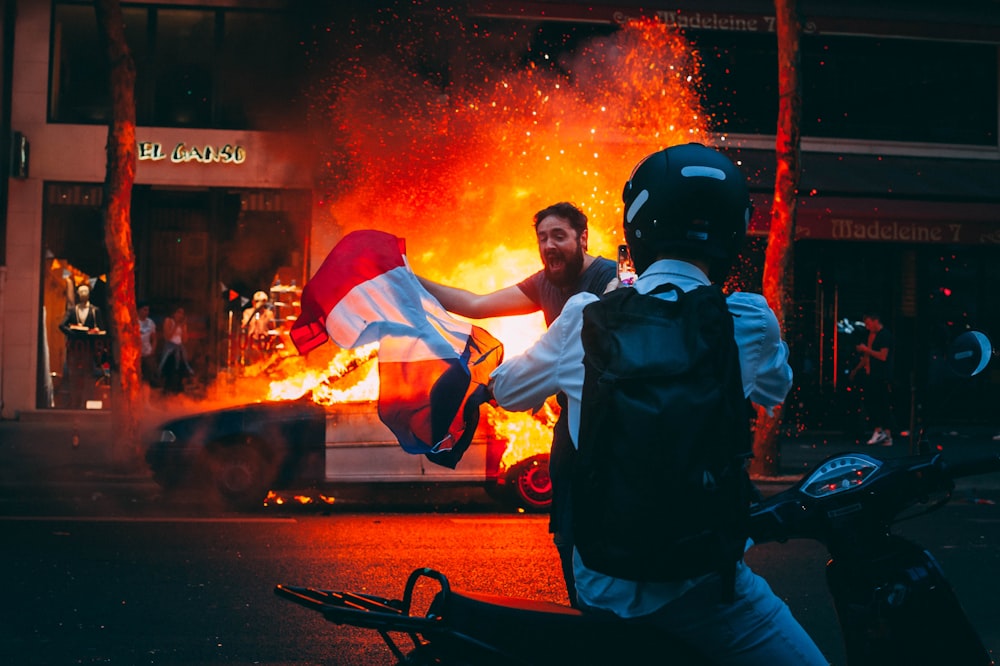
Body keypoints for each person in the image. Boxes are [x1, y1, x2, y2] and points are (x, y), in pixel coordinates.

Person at [489, 143, 827, 665]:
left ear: (638, 225)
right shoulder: (749, 320)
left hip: (602, 583)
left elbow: (508, 391)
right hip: (705, 584)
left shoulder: (583, 315)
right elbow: (774, 392)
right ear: (732, 233)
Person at [417, 201, 616, 607]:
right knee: (567, 531)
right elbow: (474, 304)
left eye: (558, 236)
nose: (548, 246)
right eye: (542, 238)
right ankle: (583, 612)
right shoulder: (545, 282)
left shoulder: (609, 279)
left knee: (605, 526)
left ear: (583, 238)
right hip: (570, 422)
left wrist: (499, 388)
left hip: (613, 422)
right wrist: (410, 279)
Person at [850, 311, 894, 446]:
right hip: (872, 374)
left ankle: (881, 431)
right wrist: (856, 369)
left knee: (877, 403)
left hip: (881, 375)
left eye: (869, 324)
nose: (867, 327)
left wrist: (865, 349)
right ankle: (885, 434)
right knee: (875, 403)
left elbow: (883, 356)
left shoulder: (884, 335)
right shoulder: (872, 335)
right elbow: (867, 357)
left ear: (876, 321)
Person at [160, 305, 193, 394]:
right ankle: (168, 391)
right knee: (170, 372)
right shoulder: (168, 321)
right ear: (174, 313)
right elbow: (167, 336)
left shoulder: (183, 325)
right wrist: (176, 325)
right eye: (178, 312)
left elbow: (185, 340)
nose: (180, 315)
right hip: (170, 349)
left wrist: (183, 328)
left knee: (180, 372)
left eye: (182, 313)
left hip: (179, 348)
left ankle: (178, 391)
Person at [242, 290, 276, 364]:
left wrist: (270, 344)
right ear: (253, 302)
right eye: (257, 301)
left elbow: (273, 330)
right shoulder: (247, 312)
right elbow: (245, 324)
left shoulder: (269, 314)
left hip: (264, 344)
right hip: (252, 344)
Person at [137, 301, 158, 386]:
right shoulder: (134, 322)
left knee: (147, 379)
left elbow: (154, 338)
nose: (146, 312)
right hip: (137, 355)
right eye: (144, 310)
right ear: (139, 310)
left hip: (147, 354)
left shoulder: (150, 323)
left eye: (147, 310)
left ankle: (146, 398)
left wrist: (152, 350)